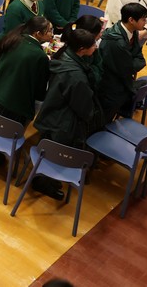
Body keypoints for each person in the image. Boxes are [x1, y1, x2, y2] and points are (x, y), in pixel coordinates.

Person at [32, 29, 105, 198]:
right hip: (62, 122)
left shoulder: (65, 56)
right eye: (93, 45)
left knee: (49, 150)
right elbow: (83, 107)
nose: (96, 47)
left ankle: (45, 179)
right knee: (54, 155)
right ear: (82, 49)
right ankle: (44, 183)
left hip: (53, 112)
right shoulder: (75, 76)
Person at [0, 16, 54, 166]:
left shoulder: (14, 39)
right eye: (50, 31)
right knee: (4, 132)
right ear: (38, 33)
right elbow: (40, 90)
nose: (52, 34)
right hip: (13, 106)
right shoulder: (39, 56)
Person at [97, 2, 147, 122]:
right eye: (143, 19)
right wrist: (133, 62)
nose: (146, 22)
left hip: (119, 78)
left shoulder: (133, 31)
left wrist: (132, 62)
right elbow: (127, 68)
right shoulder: (116, 42)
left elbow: (139, 58)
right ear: (131, 20)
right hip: (108, 84)